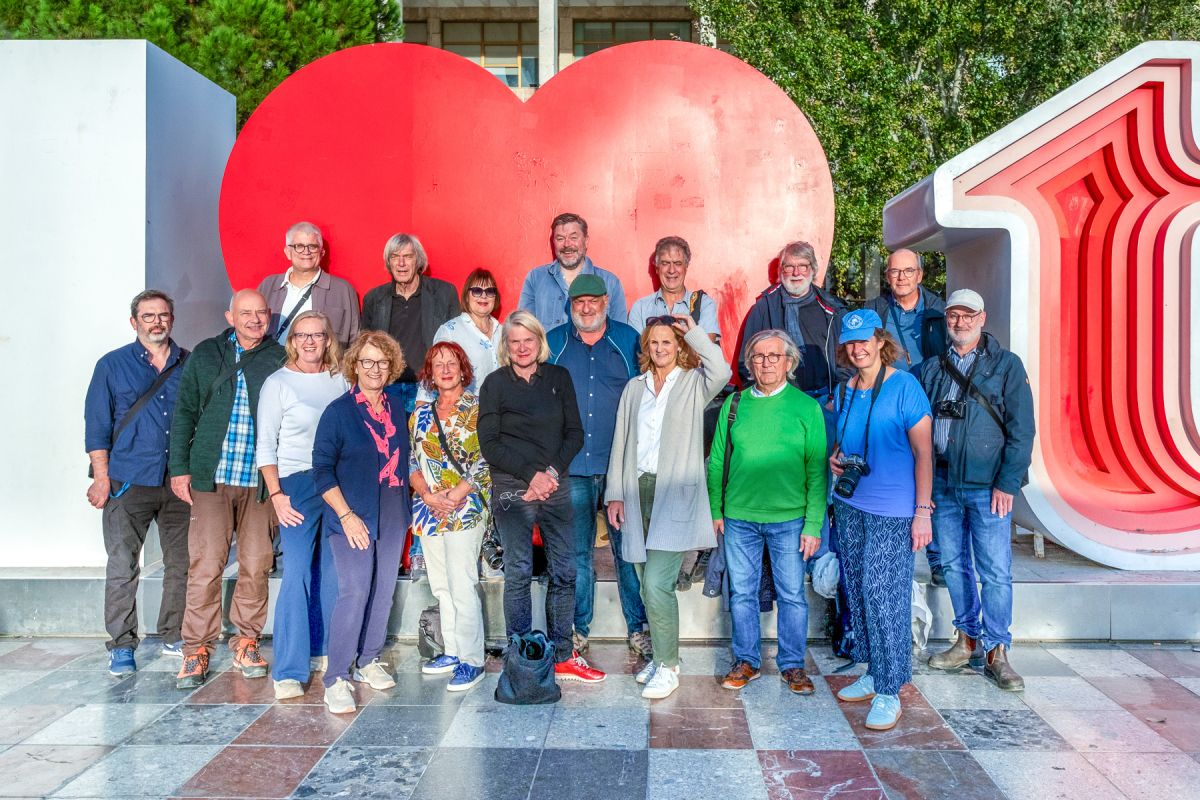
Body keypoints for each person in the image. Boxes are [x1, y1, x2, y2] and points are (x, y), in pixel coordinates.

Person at [606, 314, 731, 698]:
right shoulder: (634, 388)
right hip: (636, 489)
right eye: (654, 343)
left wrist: (691, 330)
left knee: (659, 583)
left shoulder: (694, 384)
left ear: (679, 346)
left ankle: (670, 666)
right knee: (645, 583)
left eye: (667, 342)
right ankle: (660, 659)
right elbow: (621, 441)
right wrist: (615, 492)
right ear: (646, 348)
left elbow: (723, 369)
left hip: (674, 493)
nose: (660, 349)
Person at [478, 310, 605, 683]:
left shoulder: (558, 378)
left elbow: (574, 434)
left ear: (539, 342)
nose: (521, 347)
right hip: (511, 488)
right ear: (506, 346)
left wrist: (549, 474)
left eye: (528, 340)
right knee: (518, 572)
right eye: (514, 341)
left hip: (555, 486)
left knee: (564, 571)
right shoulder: (494, 384)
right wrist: (529, 476)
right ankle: (521, 656)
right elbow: (490, 443)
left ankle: (563, 653)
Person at [920, 290, 1035, 691]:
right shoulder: (932, 369)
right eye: (953, 315)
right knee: (953, 565)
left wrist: (1008, 482)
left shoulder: (1006, 366)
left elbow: (1023, 431)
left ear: (982, 317)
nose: (960, 322)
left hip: (988, 488)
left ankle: (997, 650)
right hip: (944, 485)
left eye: (968, 315)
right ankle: (967, 638)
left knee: (995, 572)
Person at [171, 290, 286, 689]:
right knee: (206, 565)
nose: (255, 319)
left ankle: (246, 641)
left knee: (256, 563)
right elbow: (185, 410)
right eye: (246, 313)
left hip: (259, 482)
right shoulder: (206, 354)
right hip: (211, 478)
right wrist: (180, 468)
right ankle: (196, 649)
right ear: (230, 315)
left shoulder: (278, 357)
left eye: (261, 313)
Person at [828, 309, 933, 731]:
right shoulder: (846, 388)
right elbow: (845, 443)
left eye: (865, 340)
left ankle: (891, 689)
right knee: (857, 589)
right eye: (851, 342)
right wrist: (836, 459)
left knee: (883, 593)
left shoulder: (905, 385)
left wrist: (922, 512)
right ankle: (873, 671)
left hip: (894, 509)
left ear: (880, 341)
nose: (858, 348)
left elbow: (924, 453)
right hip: (852, 505)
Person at [707, 329, 827, 695]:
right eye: (759, 356)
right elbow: (715, 463)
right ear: (749, 363)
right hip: (739, 517)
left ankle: (792, 665)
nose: (766, 363)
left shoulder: (807, 408)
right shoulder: (734, 405)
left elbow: (817, 470)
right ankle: (746, 660)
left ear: (789, 362)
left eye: (775, 356)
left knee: (791, 593)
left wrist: (813, 523)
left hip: (790, 520)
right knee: (742, 593)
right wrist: (716, 510)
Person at [85, 290, 191, 675]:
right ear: (135, 322)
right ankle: (122, 644)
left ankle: (173, 634)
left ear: (171, 320)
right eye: (148, 316)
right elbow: (97, 426)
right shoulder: (112, 365)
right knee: (122, 564)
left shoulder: (188, 363)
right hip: (127, 481)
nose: (157, 322)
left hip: (177, 482)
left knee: (181, 562)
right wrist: (101, 478)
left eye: (163, 315)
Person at [546, 274, 650, 658]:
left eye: (592, 301)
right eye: (578, 303)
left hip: (620, 465)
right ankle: (578, 629)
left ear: (606, 301)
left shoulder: (628, 340)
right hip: (571, 466)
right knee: (578, 553)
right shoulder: (554, 343)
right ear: (570, 306)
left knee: (629, 551)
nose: (586, 308)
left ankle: (638, 628)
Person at [312, 331, 412, 713]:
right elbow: (321, 471)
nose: (374, 369)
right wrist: (347, 515)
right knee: (354, 590)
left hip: (391, 507)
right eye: (367, 361)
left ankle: (368, 659)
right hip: (351, 510)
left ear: (391, 367)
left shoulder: (396, 408)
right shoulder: (338, 412)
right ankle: (336, 676)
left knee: (384, 588)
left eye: (382, 362)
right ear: (355, 365)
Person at [255, 311, 348, 699]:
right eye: (302, 335)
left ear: (328, 340)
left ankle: (328, 650)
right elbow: (266, 446)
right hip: (294, 483)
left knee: (333, 571)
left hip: (336, 483)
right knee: (296, 572)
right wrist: (276, 495)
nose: (310, 342)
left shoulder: (341, 379)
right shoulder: (277, 383)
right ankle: (289, 669)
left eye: (318, 335)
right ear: (292, 340)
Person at [408, 342, 491, 692]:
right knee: (442, 586)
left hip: (465, 508)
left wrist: (455, 494)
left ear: (463, 368)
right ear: (429, 370)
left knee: (462, 584)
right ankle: (454, 651)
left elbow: (487, 459)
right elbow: (412, 463)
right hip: (429, 510)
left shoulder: (478, 409)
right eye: (438, 363)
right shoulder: (420, 414)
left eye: (451, 363)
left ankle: (473, 660)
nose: (445, 369)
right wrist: (428, 495)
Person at [866, 249, 948, 585]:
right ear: (887, 276)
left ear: (920, 275)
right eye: (895, 272)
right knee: (894, 476)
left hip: (928, 401)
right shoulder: (876, 310)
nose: (901, 277)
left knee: (934, 477)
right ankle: (895, 552)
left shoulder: (938, 311)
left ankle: (939, 558)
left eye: (908, 271)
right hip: (887, 404)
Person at [360, 233, 460, 413]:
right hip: (387, 387)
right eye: (395, 257)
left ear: (418, 261)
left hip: (429, 387)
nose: (401, 263)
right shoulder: (374, 299)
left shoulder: (444, 294)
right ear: (388, 262)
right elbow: (363, 347)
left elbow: (456, 345)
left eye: (407, 256)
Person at [738, 241, 847, 406]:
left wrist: (837, 398)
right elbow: (745, 361)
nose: (796, 273)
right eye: (789, 266)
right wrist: (762, 400)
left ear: (813, 269)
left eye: (803, 266)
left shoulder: (832, 309)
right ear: (781, 270)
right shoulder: (764, 307)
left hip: (825, 402)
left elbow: (848, 359)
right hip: (777, 403)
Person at [257, 221, 361, 348]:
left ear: (322, 252)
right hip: (274, 366)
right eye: (299, 246)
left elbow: (355, 338)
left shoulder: (343, 290)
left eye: (312, 246)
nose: (306, 252)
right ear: (288, 252)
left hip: (325, 367)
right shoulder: (268, 285)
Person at [518, 212, 628, 330]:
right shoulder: (535, 278)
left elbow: (620, 333)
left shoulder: (610, 282)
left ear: (586, 241)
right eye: (560, 238)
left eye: (573, 237)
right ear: (553, 242)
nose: (567, 244)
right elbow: (524, 328)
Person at [628, 236, 720, 341]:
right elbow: (635, 352)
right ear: (657, 268)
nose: (671, 270)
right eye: (665, 263)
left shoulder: (704, 304)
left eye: (677, 263)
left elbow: (707, 350)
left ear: (686, 267)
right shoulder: (640, 308)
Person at [428, 268, 504, 394]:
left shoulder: (504, 332)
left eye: (490, 291)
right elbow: (435, 371)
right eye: (477, 291)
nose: (484, 296)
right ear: (467, 296)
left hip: (503, 409)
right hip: (465, 411)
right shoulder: (449, 331)